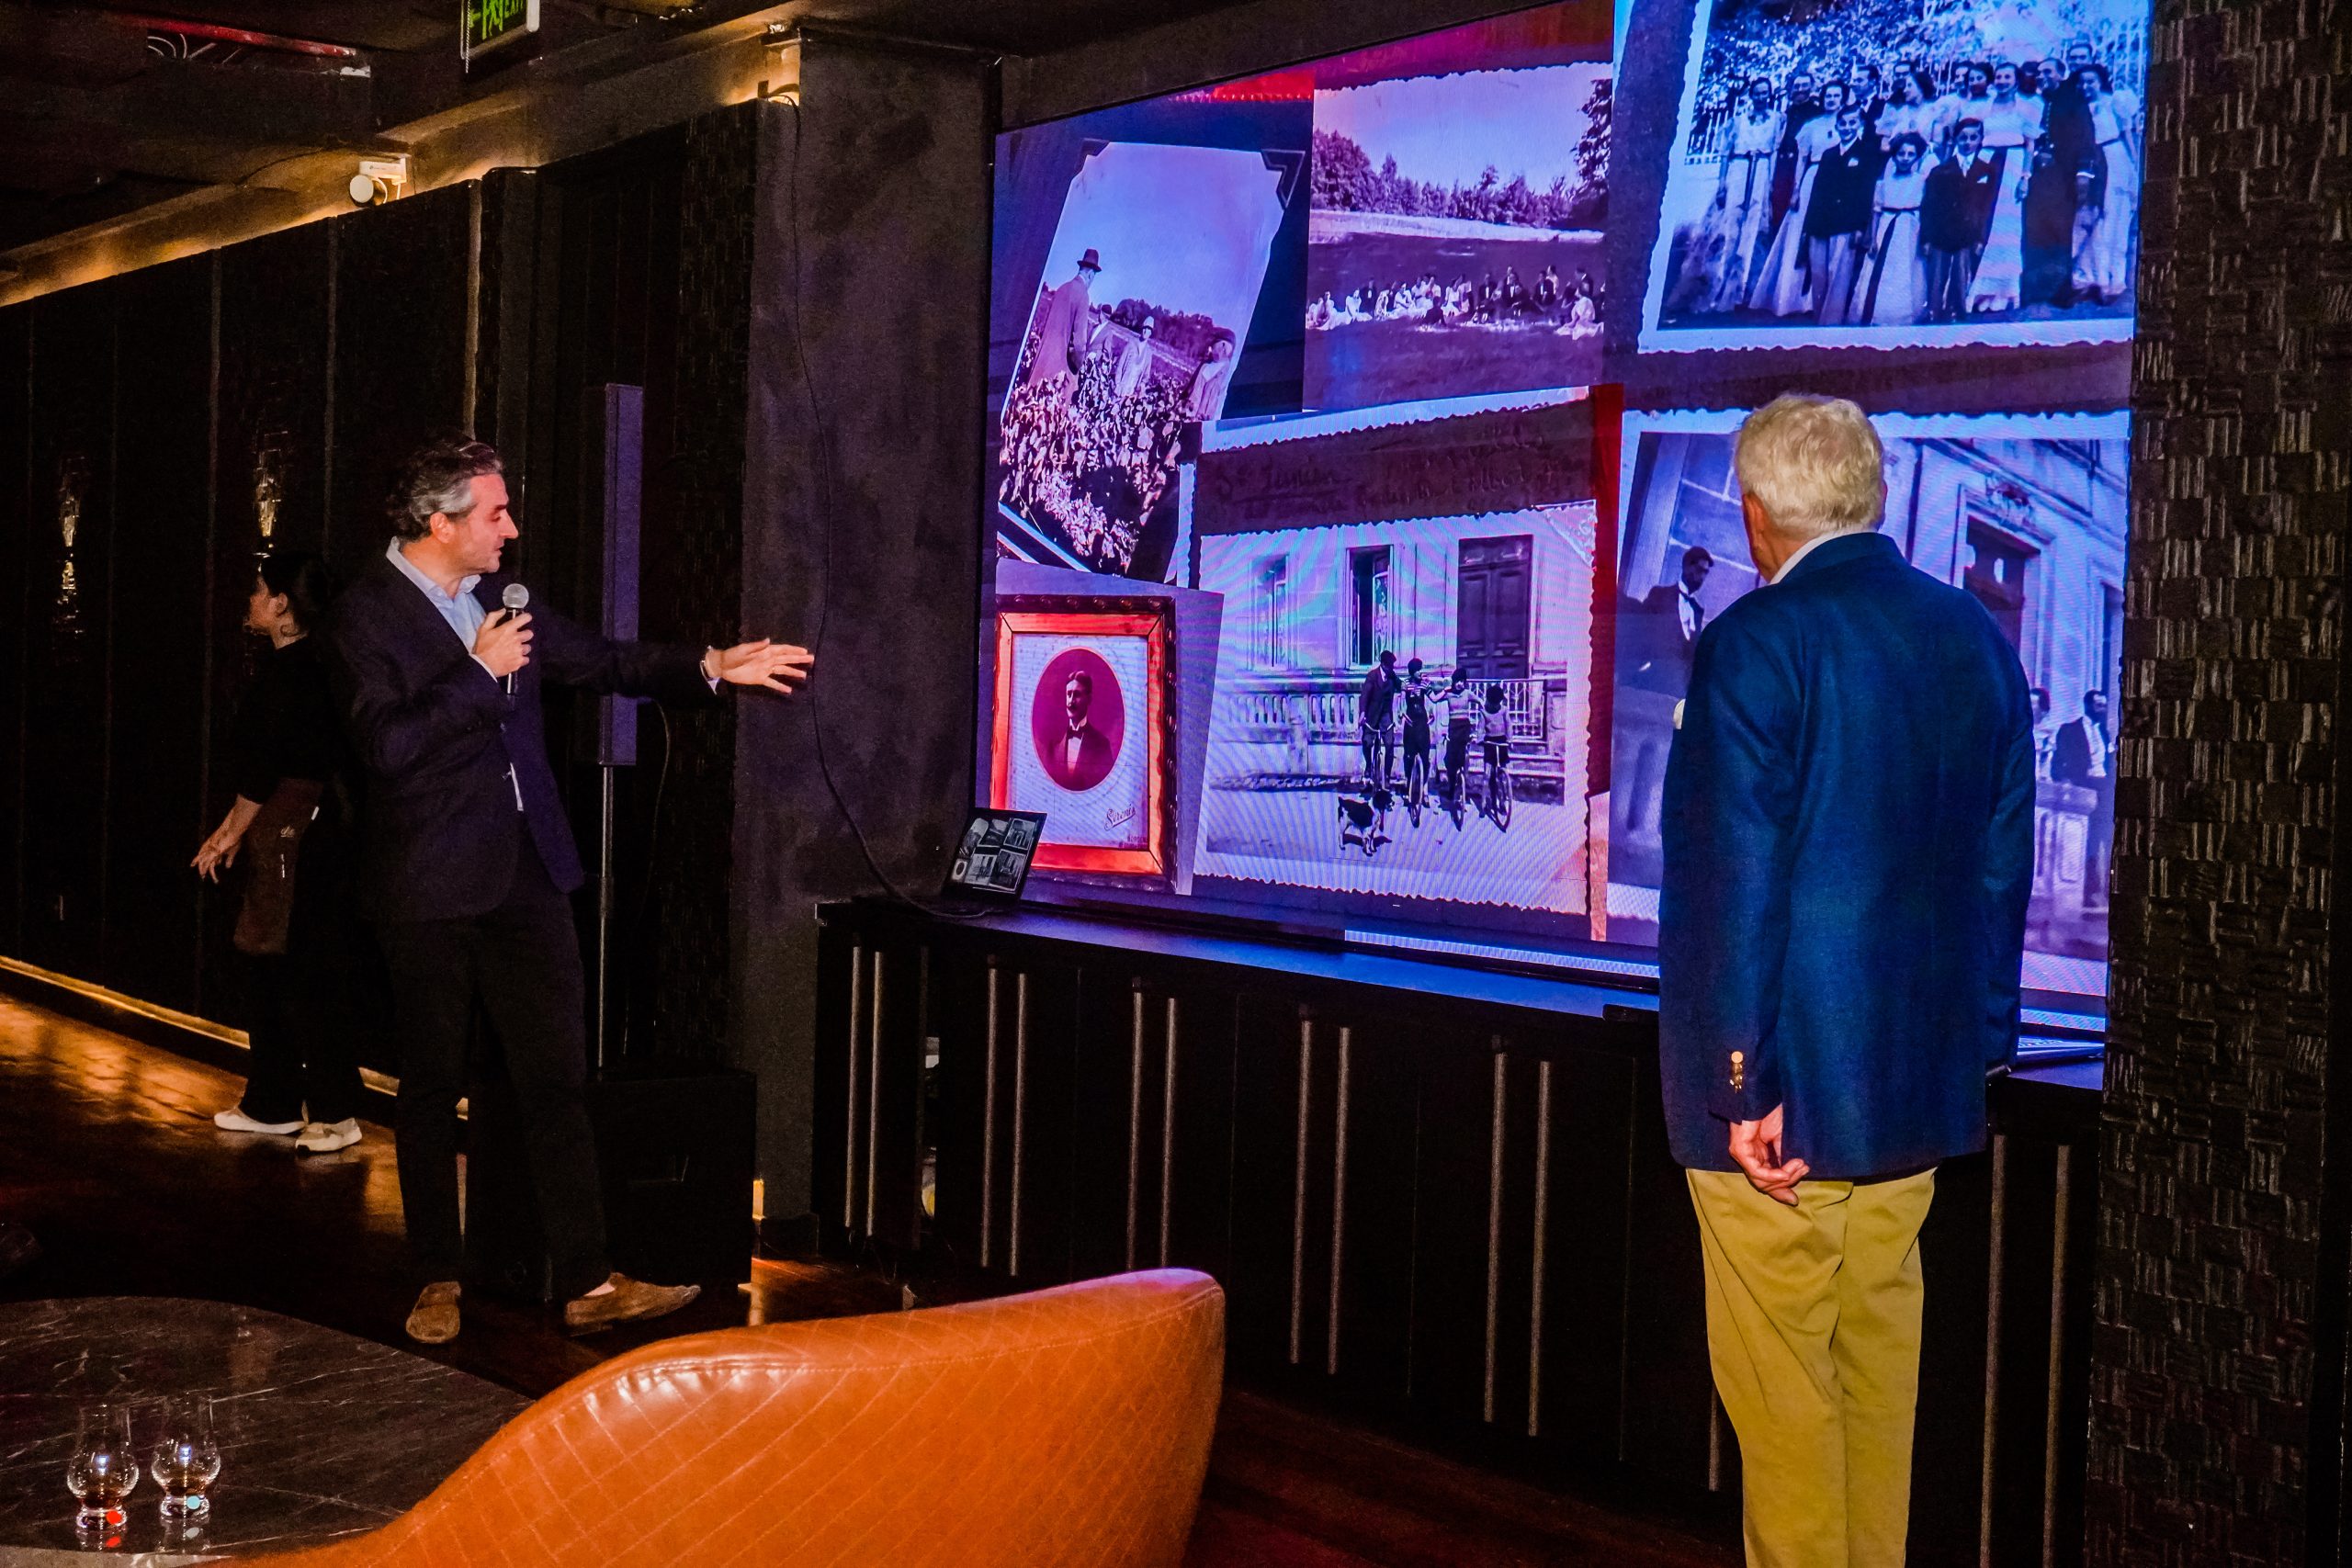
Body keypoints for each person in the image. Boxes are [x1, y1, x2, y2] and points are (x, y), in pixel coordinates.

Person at [331, 433, 814, 1345]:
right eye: (495, 513)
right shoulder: (365, 614)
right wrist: (477, 673)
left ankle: (590, 1280)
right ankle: (436, 1274)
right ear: (439, 523)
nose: (511, 529)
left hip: (526, 873)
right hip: (427, 886)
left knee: (556, 1080)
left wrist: (712, 666)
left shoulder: (500, 600)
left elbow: (604, 661)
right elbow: (386, 748)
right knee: (431, 1086)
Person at [1658, 395, 2033, 1568]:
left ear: (1757, 517)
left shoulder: (1756, 639)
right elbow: (2001, 871)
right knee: (1877, 1375)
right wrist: (1980, 1043)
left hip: (1779, 1108)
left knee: (1786, 1405)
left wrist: (1738, 1082)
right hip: (1916, 1089)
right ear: (1873, 496)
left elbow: (1733, 879)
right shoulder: (1974, 637)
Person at [194, 551, 368, 1156]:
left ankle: (334, 1112)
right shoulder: (316, 664)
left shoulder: (296, 671)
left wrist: (229, 831)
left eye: (259, 589)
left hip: (301, 833)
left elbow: (265, 769)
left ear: (283, 605)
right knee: (273, 965)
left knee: (301, 970)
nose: (250, 598)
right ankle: (273, 1102)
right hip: (300, 830)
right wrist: (234, 828)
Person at [1750, 81, 1850, 318]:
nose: (1831, 100)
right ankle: (1792, 298)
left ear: (1843, 99)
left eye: (1836, 96)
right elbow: (1802, 160)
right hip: (1812, 178)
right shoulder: (1811, 126)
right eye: (1828, 95)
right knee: (1800, 234)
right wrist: (1796, 190)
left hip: (1838, 182)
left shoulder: (1847, 124)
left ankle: (1820, 299)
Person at [1966, 63, 2045, 314]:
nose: (2001, 81)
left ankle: (2002, 291)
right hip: (1986, 163)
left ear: (2016, 80)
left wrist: (2025, 177)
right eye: (1998, 76)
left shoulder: (2027, 107)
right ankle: (1978, 292)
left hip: (2011, 166)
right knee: (1980, 221)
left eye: (2007, 77)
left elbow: (2030, 145)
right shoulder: (1983, 107)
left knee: (2005, 226)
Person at [1709, 77, 1785, 312]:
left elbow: (1775, 152)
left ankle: (1741, 291)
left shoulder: (1777, 120)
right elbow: (1725, 154)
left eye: (1765, 93)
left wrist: (1770, 183)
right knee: (1731, 228)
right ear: (1751, 96)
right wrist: (1722, 183)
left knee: (1752, 230)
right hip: (1739, 170)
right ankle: (1719, 287)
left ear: (1769, 95)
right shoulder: (1737, 121)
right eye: (1757, 93)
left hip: (1762, 170)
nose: (1761, 97)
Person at [1804, 104, 1883, 324]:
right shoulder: (1828, 154)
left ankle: (1832, 322)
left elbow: (1866, 194)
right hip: (1820, 223)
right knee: (1819, 274)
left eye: (1852, 123)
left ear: (1860, 125)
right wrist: (1808, 227)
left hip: (1846, 223)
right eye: (1843, 124)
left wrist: (1859, 227)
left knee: (1839, 274)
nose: (1847, 127)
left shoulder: (1867, 153)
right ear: (1837, 126)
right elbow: (1817, 192)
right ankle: (1819, 319)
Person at [2069, 64, 2141, 305]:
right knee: (2093, 218)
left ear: (2101, 81)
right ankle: (2088, 277)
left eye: (2091, 81)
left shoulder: (2114, 103)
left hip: (2115, 159)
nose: (2086, 86)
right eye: (2082, 82)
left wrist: (2134, 165)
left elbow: (2127, 135)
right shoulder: (2078, 110)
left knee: (2115, 217)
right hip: (2092, 163)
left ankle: (2112, 278)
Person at [1920, 119, 2001, 322]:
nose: (1968, 142)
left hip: (1968, 233)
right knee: (1937, 277)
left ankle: (1957, 313)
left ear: (1980, 139)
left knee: (1961, 275)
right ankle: (1935, 313)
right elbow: (1929, 207)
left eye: (1973, 138)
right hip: (1941, 233)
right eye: (1963, 138)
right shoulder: (1941, 170)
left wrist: (1981, 238)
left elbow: (1986, 207)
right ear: (1955, 139)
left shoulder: (1986, 171)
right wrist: (1926, 239)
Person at [1852, 132, 1929, 325]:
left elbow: (1925, 212)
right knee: (1883, 270)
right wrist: (1873, 238)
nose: (1905, 158)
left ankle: (1906, 314)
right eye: (1901, 154)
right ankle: (1879, 314)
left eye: (1910, 154)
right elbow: (1876, 212)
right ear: (1894, 156)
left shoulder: (1921, 181)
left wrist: (1924, 238)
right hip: (1886, 228)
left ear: (1917, 157)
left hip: (1910, 231)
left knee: (1907, 270)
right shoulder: (1883, 183)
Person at [2052, 689, 2116, 897]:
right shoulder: (2069, 730)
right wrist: (2065, 781)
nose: (2102, 710)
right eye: (2098, 705)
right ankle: (2086, 890)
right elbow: (2058, 762)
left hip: (2103, 788)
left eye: (2104, 706)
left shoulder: (2103, 732)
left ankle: (2105, 888)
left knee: (2103, 837)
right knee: (2085, 839)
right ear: (2088, 706)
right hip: (2083, 787)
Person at [1022, 249, 1102, 400]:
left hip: (1040, 361)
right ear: (1091, 275)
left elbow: (1044, 326)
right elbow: (1079, 344)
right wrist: (1078, 368)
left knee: (1027, 403)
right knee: (1047, 410)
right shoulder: (1083, 295)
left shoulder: (1062, 288)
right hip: (1057, 370)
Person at [1044, 668, 1118, 790]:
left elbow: (1107, 788)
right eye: (1069, 694)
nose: (1071, 702)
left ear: (1089, 699)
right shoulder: (1053, 747)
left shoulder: (1102, 745)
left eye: (1077, 695)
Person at [1358, 650, 1400, 788]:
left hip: (1386, 716)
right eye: (1389, 666)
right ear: (1383, 664)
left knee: (1389, 743)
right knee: (1367, 742)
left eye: (1392, 666)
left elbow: (1402, 686)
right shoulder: (1372, 676)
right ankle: (1368, 767)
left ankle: (1386, 775)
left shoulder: (1392, 676)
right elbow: (1364, 695)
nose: (1391, 669)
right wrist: (1362, 713)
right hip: (1372, 715)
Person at [1398, 658, 1434, 796]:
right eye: (1418, 670)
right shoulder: (1405, 683)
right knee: (1409, 755)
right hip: (1410, 722)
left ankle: (1424, 789)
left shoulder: (1425, 683)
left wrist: (1431, 713)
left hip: (1422, 722)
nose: (1420, 672)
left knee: (1425, 755)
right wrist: (1401, 712)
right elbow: (1402, 700)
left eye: (1421, 669)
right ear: (1412, 672)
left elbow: (1432, 700)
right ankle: (1408, 784)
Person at [1112, 316, 1156, 400]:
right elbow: (1120, 365)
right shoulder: (1131, 343)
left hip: (1131, 394)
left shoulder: (1148, 353)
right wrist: (1117, 384)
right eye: (1144, 328)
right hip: (1120, 388)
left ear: (1151, 333)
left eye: (1148, 329)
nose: (1145, 331)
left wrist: (1139, 390)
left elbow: (1146, 376)